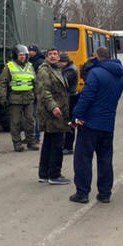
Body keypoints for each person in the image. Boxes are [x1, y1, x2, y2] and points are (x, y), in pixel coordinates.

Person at [70, 47, 123, 203]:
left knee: (83, 159)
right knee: (105, 159)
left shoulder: (95, 73)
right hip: (108, 123)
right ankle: (105, 193)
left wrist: (76, 115)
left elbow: (87, 96)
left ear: (96, 56)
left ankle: (82, 193)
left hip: (90, 123)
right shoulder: (119, 75)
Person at [35, 47, 71, 185]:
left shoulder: (57, 69)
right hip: (53, 113)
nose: (53, 56)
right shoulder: (45, 70)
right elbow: (45, 92)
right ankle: (54, 175)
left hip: (59, 112)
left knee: (49, 143)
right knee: (56, 144)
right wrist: (53, 106)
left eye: (55, 54)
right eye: (50, 54)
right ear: (46, 56)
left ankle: (44, 174)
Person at [0, 45, 37, 151]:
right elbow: (2, 82)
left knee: (30, 121)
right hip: (15, 98)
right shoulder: (9, 66)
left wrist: (37, 94)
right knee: (16, 122)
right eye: (20, 55)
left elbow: (35, 81)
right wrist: (3, 97)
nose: (22, 57)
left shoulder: (30, 66)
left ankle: (31, 142)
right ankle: (17, 143)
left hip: (28, 97)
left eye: (24, 55)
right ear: (16, 55)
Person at [59, 52, 79, 155]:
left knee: (70, 123)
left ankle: (68, 146)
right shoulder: (68, 68)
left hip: (71, 98)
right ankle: (65, 145)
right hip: (69, 97)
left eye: (60, 62)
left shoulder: (70, 70)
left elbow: (62, 82)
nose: (59, 64)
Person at [29, 45, 46, 146]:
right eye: (29, 50)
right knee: (30, 116)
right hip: (31, 93)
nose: (30, 52)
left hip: (37, 93)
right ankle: (31, 136)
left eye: (32, 51)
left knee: (36, 116)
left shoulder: (39, 62)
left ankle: (37, 137)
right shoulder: (29, 62)